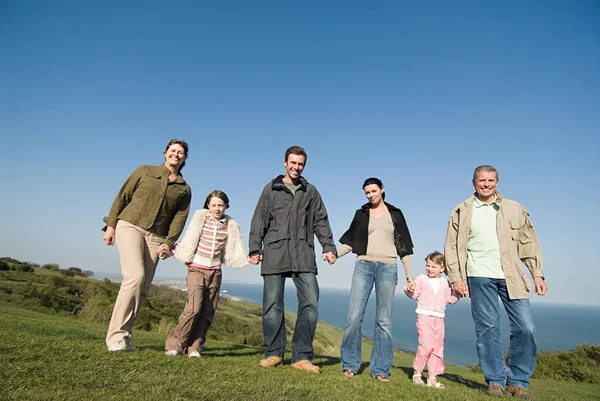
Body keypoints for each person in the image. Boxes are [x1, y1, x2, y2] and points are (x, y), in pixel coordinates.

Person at [444, 165, 547, 399]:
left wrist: (537, 274)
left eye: (491, 180)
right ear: (474, 183)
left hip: (512, 276)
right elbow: (451, 246)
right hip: (478, 275)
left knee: (525, 327)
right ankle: (496, 382)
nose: (486, 184)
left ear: (497, 182)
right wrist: (456, 278)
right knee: (487, 330)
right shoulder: (461, 211)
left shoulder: (514, 208)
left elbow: (528, 244)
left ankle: (518, 382)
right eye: (482, 180)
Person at [248, 145, 337, 374]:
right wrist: (254, 248)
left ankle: (301, 357)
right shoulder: (271, 189)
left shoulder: (311, 191)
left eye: (301, 164)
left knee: (311, 304)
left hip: (303, 254)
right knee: (272, 305)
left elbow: (321, 221)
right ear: (285, 163)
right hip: (275, 252)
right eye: (293, 163)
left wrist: (328, 246)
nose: (296, 167)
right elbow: (259, 220)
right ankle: (275, 353)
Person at [102, 139, 192, 351]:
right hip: (130, 225)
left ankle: (125, 337)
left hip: (156, 236)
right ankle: (115, 337)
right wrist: (110, 225)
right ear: (165, 153)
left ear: (184, 158)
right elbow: (122, 196)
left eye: (180, 153)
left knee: (142, 288)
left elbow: (180, 218)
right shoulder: (144, 171)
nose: (176, 155)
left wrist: (168, 243)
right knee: (135, 276)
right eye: (173, 151)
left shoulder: (184, 188)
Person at [337, 177, 415, 382]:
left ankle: (380, 369)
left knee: (384, 320)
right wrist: (335, 254)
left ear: (382, 189)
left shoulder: (395, 214)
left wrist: (409, 275)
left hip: (388, 268)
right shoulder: (362, 214)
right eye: (367, 193)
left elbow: (404, 248)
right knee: (354, 317)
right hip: (363, 265)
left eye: (373, 191)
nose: (371, 195)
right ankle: (350, 364)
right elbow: (351, 242)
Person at [163, 190, 247, 357]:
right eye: (214, 205)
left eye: (220, 205)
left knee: (207, 311)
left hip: (215, 271)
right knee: (193, 309)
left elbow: (234, 249)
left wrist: (247, 258)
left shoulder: (230, 225)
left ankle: (194, 347)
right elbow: (188, 240)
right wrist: (170, 250)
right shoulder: (200, 220)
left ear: (226, 206)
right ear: (208, 205)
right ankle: (175, 345)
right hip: (196, 268)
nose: (217, 208)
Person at [404, 251, 459, 389]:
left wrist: (458, 292)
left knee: (437, 349)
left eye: (433, 266)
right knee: (426, 346)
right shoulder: (422, 279)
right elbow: (413, 294)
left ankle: (432, 377)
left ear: (442, 268)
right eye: (428, 265)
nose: (429, 269)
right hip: (424, 317)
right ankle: (417, 373)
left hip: (439, 319)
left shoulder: (445, 282)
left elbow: (450, 299)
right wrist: (409, 287)